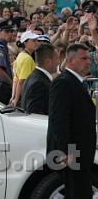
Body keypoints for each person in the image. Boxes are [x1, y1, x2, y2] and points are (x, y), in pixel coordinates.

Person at [47, 43, 96, 198]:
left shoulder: (76, 82)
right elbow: (59, 119)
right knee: (77, 192)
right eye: (83, 58)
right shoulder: (63, 82)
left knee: (80, 191)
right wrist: (67, 151)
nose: (88, 62)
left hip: (80, 151)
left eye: (88, 58)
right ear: (70, 61)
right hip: (71, 152)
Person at [21, 43, 59, 115]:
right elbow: (35, 114)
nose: (58, 62)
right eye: (57, 58)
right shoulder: (39, 83)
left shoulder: (33, 77)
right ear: (48, 62)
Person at [8, 31, 43, 107]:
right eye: (33, 41)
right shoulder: (26, 58)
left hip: (23, 96)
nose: (36, 43)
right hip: (25, 97)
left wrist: (13, 96)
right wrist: (16, 100)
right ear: (25, 43)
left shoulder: (21, 55)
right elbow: (21, 81)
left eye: (37, 40)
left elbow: (16, 79)